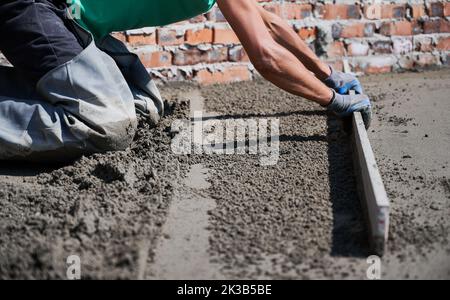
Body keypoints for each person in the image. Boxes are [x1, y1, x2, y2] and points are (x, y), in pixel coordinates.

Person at [0, 0, 371, 162]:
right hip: (35, 7)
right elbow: (266, 56)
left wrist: (328, 74)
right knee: (107, 123)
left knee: (145, 107)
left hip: (67, 21)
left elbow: (269, 22)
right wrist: (332, 100)